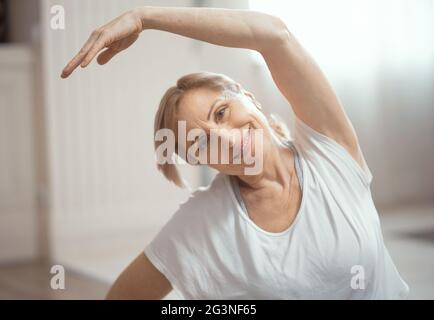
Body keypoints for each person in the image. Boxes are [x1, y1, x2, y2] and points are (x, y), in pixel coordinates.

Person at [61, 6, 409, 299]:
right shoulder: (204, 220)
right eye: (202, 144)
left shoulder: (328, 149)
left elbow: (275, 36)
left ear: (249, 96)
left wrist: (144, 17)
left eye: (222, 113)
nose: (226, 140)